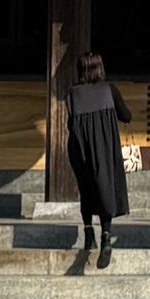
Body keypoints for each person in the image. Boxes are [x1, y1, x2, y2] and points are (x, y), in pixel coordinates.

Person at [63, 51, 130, 274]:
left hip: (79, 148)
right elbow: (126, 116)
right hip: (105, 147)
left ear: (81, 70)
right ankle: (106, 237)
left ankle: (89, 234)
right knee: (105, 187)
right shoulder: (109, 90)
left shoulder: (73, 93)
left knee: (86, 188)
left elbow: (70, 124)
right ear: (100, 69)